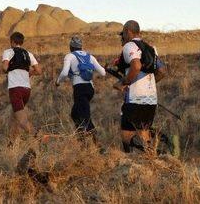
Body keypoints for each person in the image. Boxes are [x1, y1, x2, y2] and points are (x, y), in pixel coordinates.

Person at [112, 20, 166, 153]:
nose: (122, 37)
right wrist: (149, 86)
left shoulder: (129, 46)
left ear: (128, 32)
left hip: (135, 99)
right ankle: (150, 161)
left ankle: (130, 165)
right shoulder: (151, 48)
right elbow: (162, 71)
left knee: (127, 135)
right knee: (144, 133)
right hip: (151, 99)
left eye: (123, 34)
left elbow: (136, 66)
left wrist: (124, 82)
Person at [55, 35, 106, 140]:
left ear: (71, 47)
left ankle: (97, 145)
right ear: (81, 47)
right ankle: (81, 139)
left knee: (85, 115)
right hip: (90, 88)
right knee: (75, 113)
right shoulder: (90, 56)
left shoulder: (69, 56)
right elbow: (103, 73)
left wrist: (57, 82)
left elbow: (64, 73)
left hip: (79, 88)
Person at [2, 32, 42, 139]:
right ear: (21, 42)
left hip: (15, 89)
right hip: (26, 90)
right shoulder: (29, 54)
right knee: (15, 116)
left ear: (12, 42)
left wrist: (6, 69)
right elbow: (39, 70)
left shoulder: (8, 52)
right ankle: (12, 143)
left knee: (22, 120)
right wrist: (30, 73)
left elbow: (4, 68)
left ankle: (39, 136)